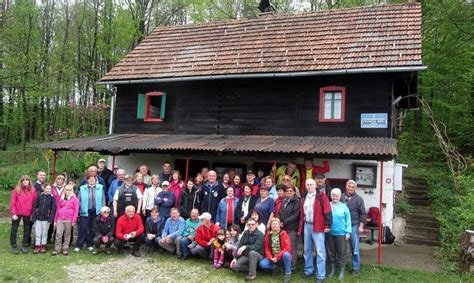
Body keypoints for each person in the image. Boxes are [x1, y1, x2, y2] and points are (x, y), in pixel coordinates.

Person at [298, 178, 332, 283]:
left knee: (320, 251)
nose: (309, 186)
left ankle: (321, 275)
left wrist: (327, 225)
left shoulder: (322, 196)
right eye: (307, 185)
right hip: (307, 225)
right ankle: (308, 270)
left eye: (311, 185)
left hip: (318, 226)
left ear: (315, 185)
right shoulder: (304, 197)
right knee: (307, 250)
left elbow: (327, 211)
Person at [342, 180, 367, 276]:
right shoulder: (341, 196)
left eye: (352, 187)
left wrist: (361, 226)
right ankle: (341, 267)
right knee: (342, 248)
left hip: (354, 225)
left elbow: (363, 213)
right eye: (349, 186)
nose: (350, 188)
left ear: (355, 188)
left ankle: (355, 268)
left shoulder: (359, 199)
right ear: (346, 186)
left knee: (355, 248)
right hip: (342, 226)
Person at [75, 175, 106, 252]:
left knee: (92, 228)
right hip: (85, 210)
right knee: (83, 228)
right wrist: (79, 209)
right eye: (90, 179)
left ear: (96, 180)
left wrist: (103, 209)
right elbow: (79, 200)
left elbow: (103, 199)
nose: (91, 180)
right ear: (87, 180)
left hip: (96, 211)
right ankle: (79, 245)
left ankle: (90, 244)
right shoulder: (82, 188)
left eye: (93, 179)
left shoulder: (100, 187)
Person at [326, 188, 351, 280]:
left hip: (341, 233)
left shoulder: (344, 207)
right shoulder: (327, 205)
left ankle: (342, 271)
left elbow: (348, 220)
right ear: (331, 196)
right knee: (331, 252)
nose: (335, 197)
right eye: (333, 195)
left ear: (340, 196)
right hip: (329, 233)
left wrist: (348, 232)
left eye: (337, 196)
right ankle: (332, 270)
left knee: (342, 252)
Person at [259, 218, 292, 283]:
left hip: (281, 257)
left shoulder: (283, 233)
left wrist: (277, 257)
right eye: (273, 224)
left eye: (276, 224)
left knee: (287, 254)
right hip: (272, 257)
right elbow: (267, 248)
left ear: (279, 225)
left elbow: (287, 247)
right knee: (262, 264)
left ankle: (288, 273)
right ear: (271, 225)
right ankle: (274, 267)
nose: (275, 225)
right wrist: (270, 257)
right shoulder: (268, 234)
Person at [10, 175, 37, 254]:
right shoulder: (17, 190)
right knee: (14, 229)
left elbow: (34, 203)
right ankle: (13, 246)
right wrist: (13, 213)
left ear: (29, 181)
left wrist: (33, 213)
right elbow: (13, 202)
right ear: (21, 181)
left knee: (27, 229)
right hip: (17, 212)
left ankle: (25, 245)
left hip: (28, 213)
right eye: (23, 180)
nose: (25, 181)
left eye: (27, 180)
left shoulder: (33, 190)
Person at [277, 184, 301, 271]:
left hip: (292, 228)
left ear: (294, 192)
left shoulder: (297, 201)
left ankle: (293, 267)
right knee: (283, 247)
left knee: (291, 248)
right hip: (283, 227)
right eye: (287, 191)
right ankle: (285, 265)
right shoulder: (284, 200)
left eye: (291, 191)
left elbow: (296, 215)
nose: (289, 192)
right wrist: (279, 221)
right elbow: (279, 212)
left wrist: (284, 222)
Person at [53, 184, 79, 256]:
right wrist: (55, 220)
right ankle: (57, 248)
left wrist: (74, 220)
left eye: (69, 190)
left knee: (67, 234)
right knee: (58, 234)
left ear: (72, 191)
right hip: (60, 219)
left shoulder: (75, 199)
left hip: (69, 219)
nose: (68, 191)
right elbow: (57, 209)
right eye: (66, 190)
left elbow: (76, 211)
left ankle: (65, 248)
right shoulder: (61, 198)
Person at [31, 184, 56, 253]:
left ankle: (43, 245)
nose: (48, 190)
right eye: (47, 188)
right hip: (38, 218)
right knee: (38, 232)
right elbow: (35, 206)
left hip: (46, 219)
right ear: (44, 189)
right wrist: (34, 216)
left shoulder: (52, 198)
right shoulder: (39, 196)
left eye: (50, 189)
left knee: (44, 233)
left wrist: (50, 218)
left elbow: (53, 209)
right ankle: (37, 246)